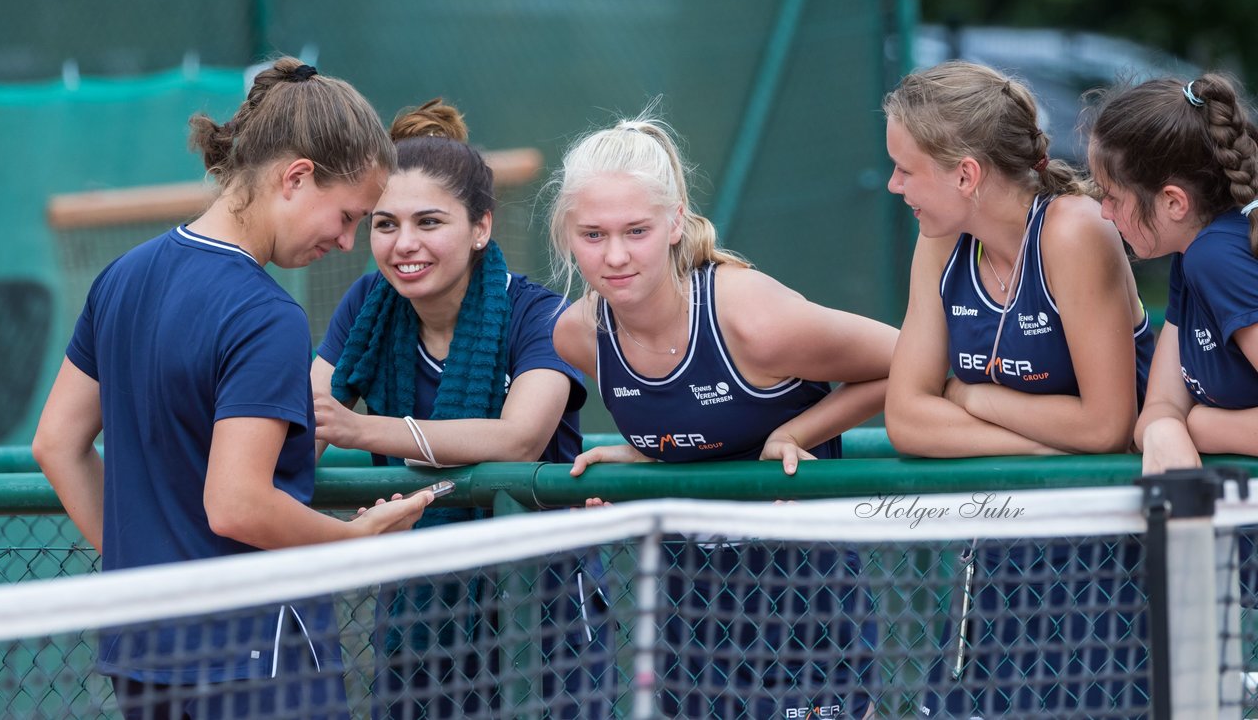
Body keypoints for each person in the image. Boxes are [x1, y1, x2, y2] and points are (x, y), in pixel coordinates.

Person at [31, 57, 435, 720]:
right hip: (259, 659)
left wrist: (151, 574)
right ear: (296, 176)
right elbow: (236, 504)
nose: (347, 240)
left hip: (144, 647)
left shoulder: (122, 278)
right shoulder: (267, 316)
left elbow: (56, 445)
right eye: (346, 216)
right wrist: (357, 542)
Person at [547, 109, 897, 717]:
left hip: (806, 606)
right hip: (690, 619)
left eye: (636, 231)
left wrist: (797, 431)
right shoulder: (579, 336)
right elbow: (699, 425)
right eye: (593, 235)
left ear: (676, 221)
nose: (615, 256)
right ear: (566, 235)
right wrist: (650, 455)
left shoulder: (750, 317)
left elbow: (909, 362)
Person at [882, 60, 1152, 715]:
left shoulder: (1073, 229)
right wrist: (1058, 439)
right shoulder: (939, 245)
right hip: (1004, 552)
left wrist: (974, 400)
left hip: (1113, 562)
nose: (893, 186)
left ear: (966, 174)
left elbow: (1106, 427)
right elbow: (907, 419)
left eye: (905, 168)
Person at [311, 97, 588, 719]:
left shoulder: (538, 315)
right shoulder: (367, 308)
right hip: (417, 615)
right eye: (384, 224)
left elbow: (518, 439)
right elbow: (305, 430)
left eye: (429, 223)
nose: (404, 245)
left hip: (538, 615)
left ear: (481, 227)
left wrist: (363, 429)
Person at [1087, 72, 1258, 476]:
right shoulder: (1191, 256)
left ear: (1173, 202)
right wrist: (1164, 429)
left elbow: (1187, 417)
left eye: (1112, 196)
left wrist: (1203, 426)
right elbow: (1162, 406)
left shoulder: (1215, 257)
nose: (1104, 213)